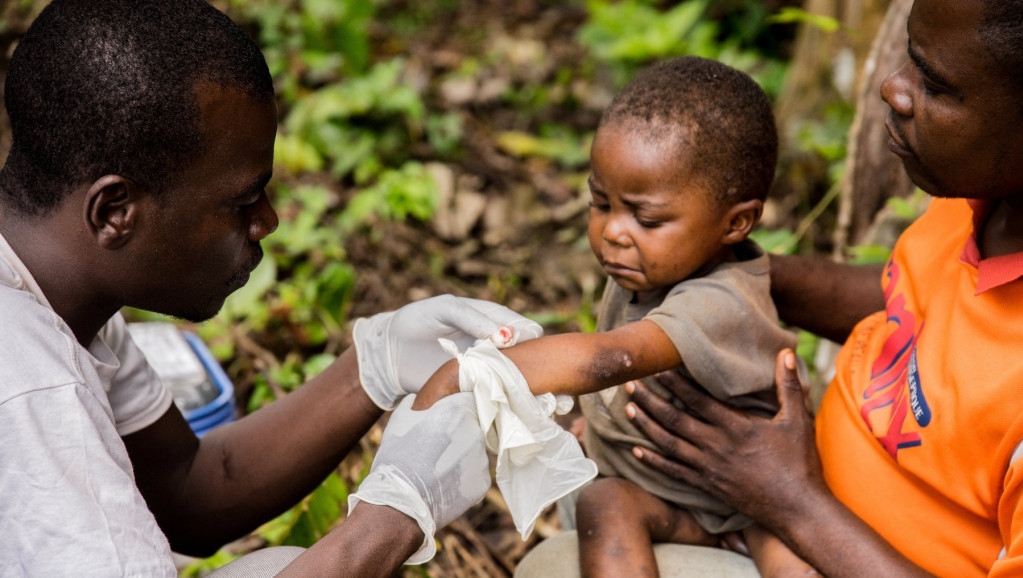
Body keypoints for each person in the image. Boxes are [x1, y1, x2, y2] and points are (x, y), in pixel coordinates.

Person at [0, 1, 542, 576]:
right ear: (116, 211)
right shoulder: (31, 384)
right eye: (241, 201)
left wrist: (372, 366)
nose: (267, 222)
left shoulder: (62, 294)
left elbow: (187, 493)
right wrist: (395, 515)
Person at [621, 0, 1023, 576]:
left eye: (935, 85)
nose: (893, 89)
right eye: (910, 58)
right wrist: (735, 273)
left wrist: (792, 501)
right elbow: (912, 305)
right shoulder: (985, 201)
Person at [415, 57, 813, 577]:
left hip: (749, 504)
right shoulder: (643, 267)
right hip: (673, 495)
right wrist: (599, 425)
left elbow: (614, 358)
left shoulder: (721, 301)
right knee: (604, 503)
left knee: (793, 559)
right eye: (601, 203)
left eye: (646, 217)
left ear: (736, 222)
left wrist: (473, 371)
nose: (614, 232)